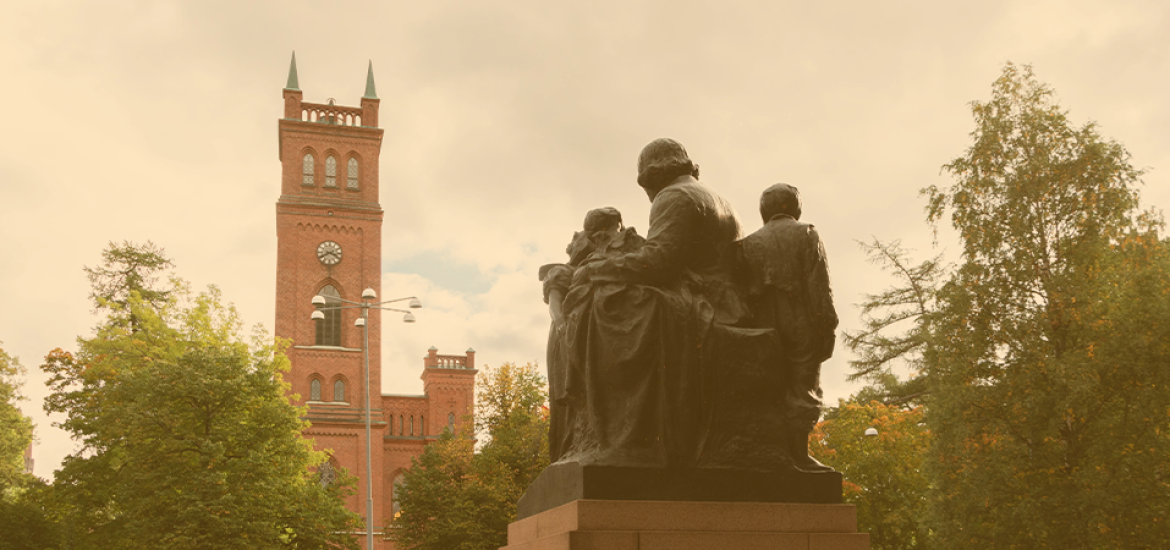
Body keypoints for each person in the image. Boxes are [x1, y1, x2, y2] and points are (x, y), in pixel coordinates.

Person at [555, 138, 753, 468]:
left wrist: (598, 269)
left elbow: (659, 262)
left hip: (707, 303)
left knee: (606, 306)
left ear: (650, 176)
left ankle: (630, 438)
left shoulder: (673, 196)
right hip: (720, 297)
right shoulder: (715, 197)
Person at [739, 183, 838, 472]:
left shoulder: (748, 243)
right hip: (800, 320)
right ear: (796, 208)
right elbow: (819, 286)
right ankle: (797, 456)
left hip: (761, 325)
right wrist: (827, 327)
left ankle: (773, 454)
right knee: (802, 388)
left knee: (770, 388)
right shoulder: (807, 233)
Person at [538, 207, 643, 462]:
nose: (577, 241)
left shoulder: (593, 265)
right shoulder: (562, 271)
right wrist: (563, 325)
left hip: (576, 329)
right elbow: (554, 306)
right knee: (565, 405)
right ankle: (567, 448)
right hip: (564, 333)